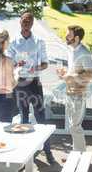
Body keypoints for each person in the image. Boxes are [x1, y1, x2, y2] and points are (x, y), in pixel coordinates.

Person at [5, 11, 55, 164]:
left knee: (41, 118)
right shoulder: (13, 41)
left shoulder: (39, 41)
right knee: (24, 118)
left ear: (33, 24)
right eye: (24, 21)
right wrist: (15, 64)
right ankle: (27, 153)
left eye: (29, 21)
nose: (26, 23)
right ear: (20, 22)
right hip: (20, 83)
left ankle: (47, 151)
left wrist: (37, 68)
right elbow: (8, 63)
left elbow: (46, 63)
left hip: (34, 83)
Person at [57, 25, 92, 151]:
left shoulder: (84, 52)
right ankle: (77, 152)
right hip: (70, 92)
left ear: (77, 38)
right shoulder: (71, 50)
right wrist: (64, 73)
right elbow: (74, 71)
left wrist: (70, 76)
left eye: (69, 35)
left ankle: (80, 155)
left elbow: (90, 74)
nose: (66, 37)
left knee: (75, 126)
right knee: (72, 125)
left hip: (79, 94)